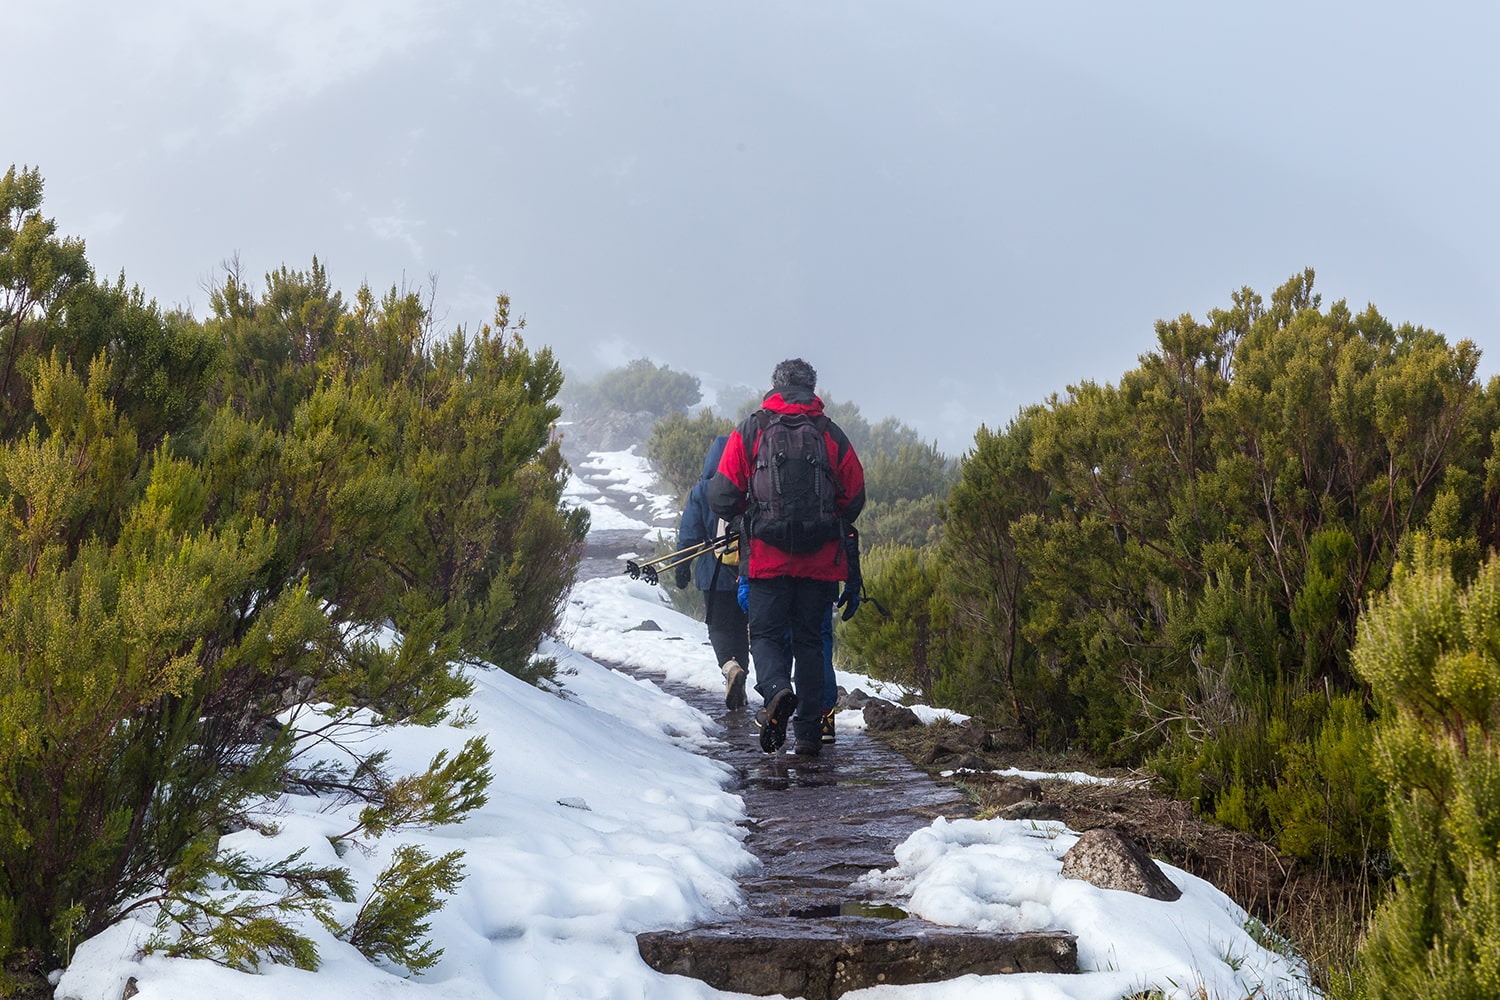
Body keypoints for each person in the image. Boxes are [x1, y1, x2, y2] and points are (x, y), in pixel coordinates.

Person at [709, 359, 865, 755]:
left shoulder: (753, 429)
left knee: (764, 636)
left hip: (765, 560)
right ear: (812, 388)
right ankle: (810, 734)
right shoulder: (830, 434)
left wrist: (750, 517)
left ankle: (777, 691)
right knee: (811, 642)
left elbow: (723, 494)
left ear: (775, 386)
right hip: (819, 563)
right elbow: (854, 495)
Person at [676, 435, 750, 709]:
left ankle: (730, 668)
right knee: (741, 629)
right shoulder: (747, 487)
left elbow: (690, 534)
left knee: (718, 627)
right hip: (745, 571)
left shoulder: (701, 491)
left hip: (713, 572)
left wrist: (683, 565)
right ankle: (741, 684)